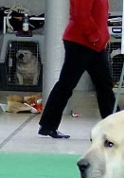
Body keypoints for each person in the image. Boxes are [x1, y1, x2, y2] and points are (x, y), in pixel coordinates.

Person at [38, 0, 115, 139]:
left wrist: (100, 37)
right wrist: (95, 36)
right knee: (67, 84)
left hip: (92, 43)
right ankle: (48, 125)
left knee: (104, 85)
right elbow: (81, 14)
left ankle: (114, 125)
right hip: (82, 42)